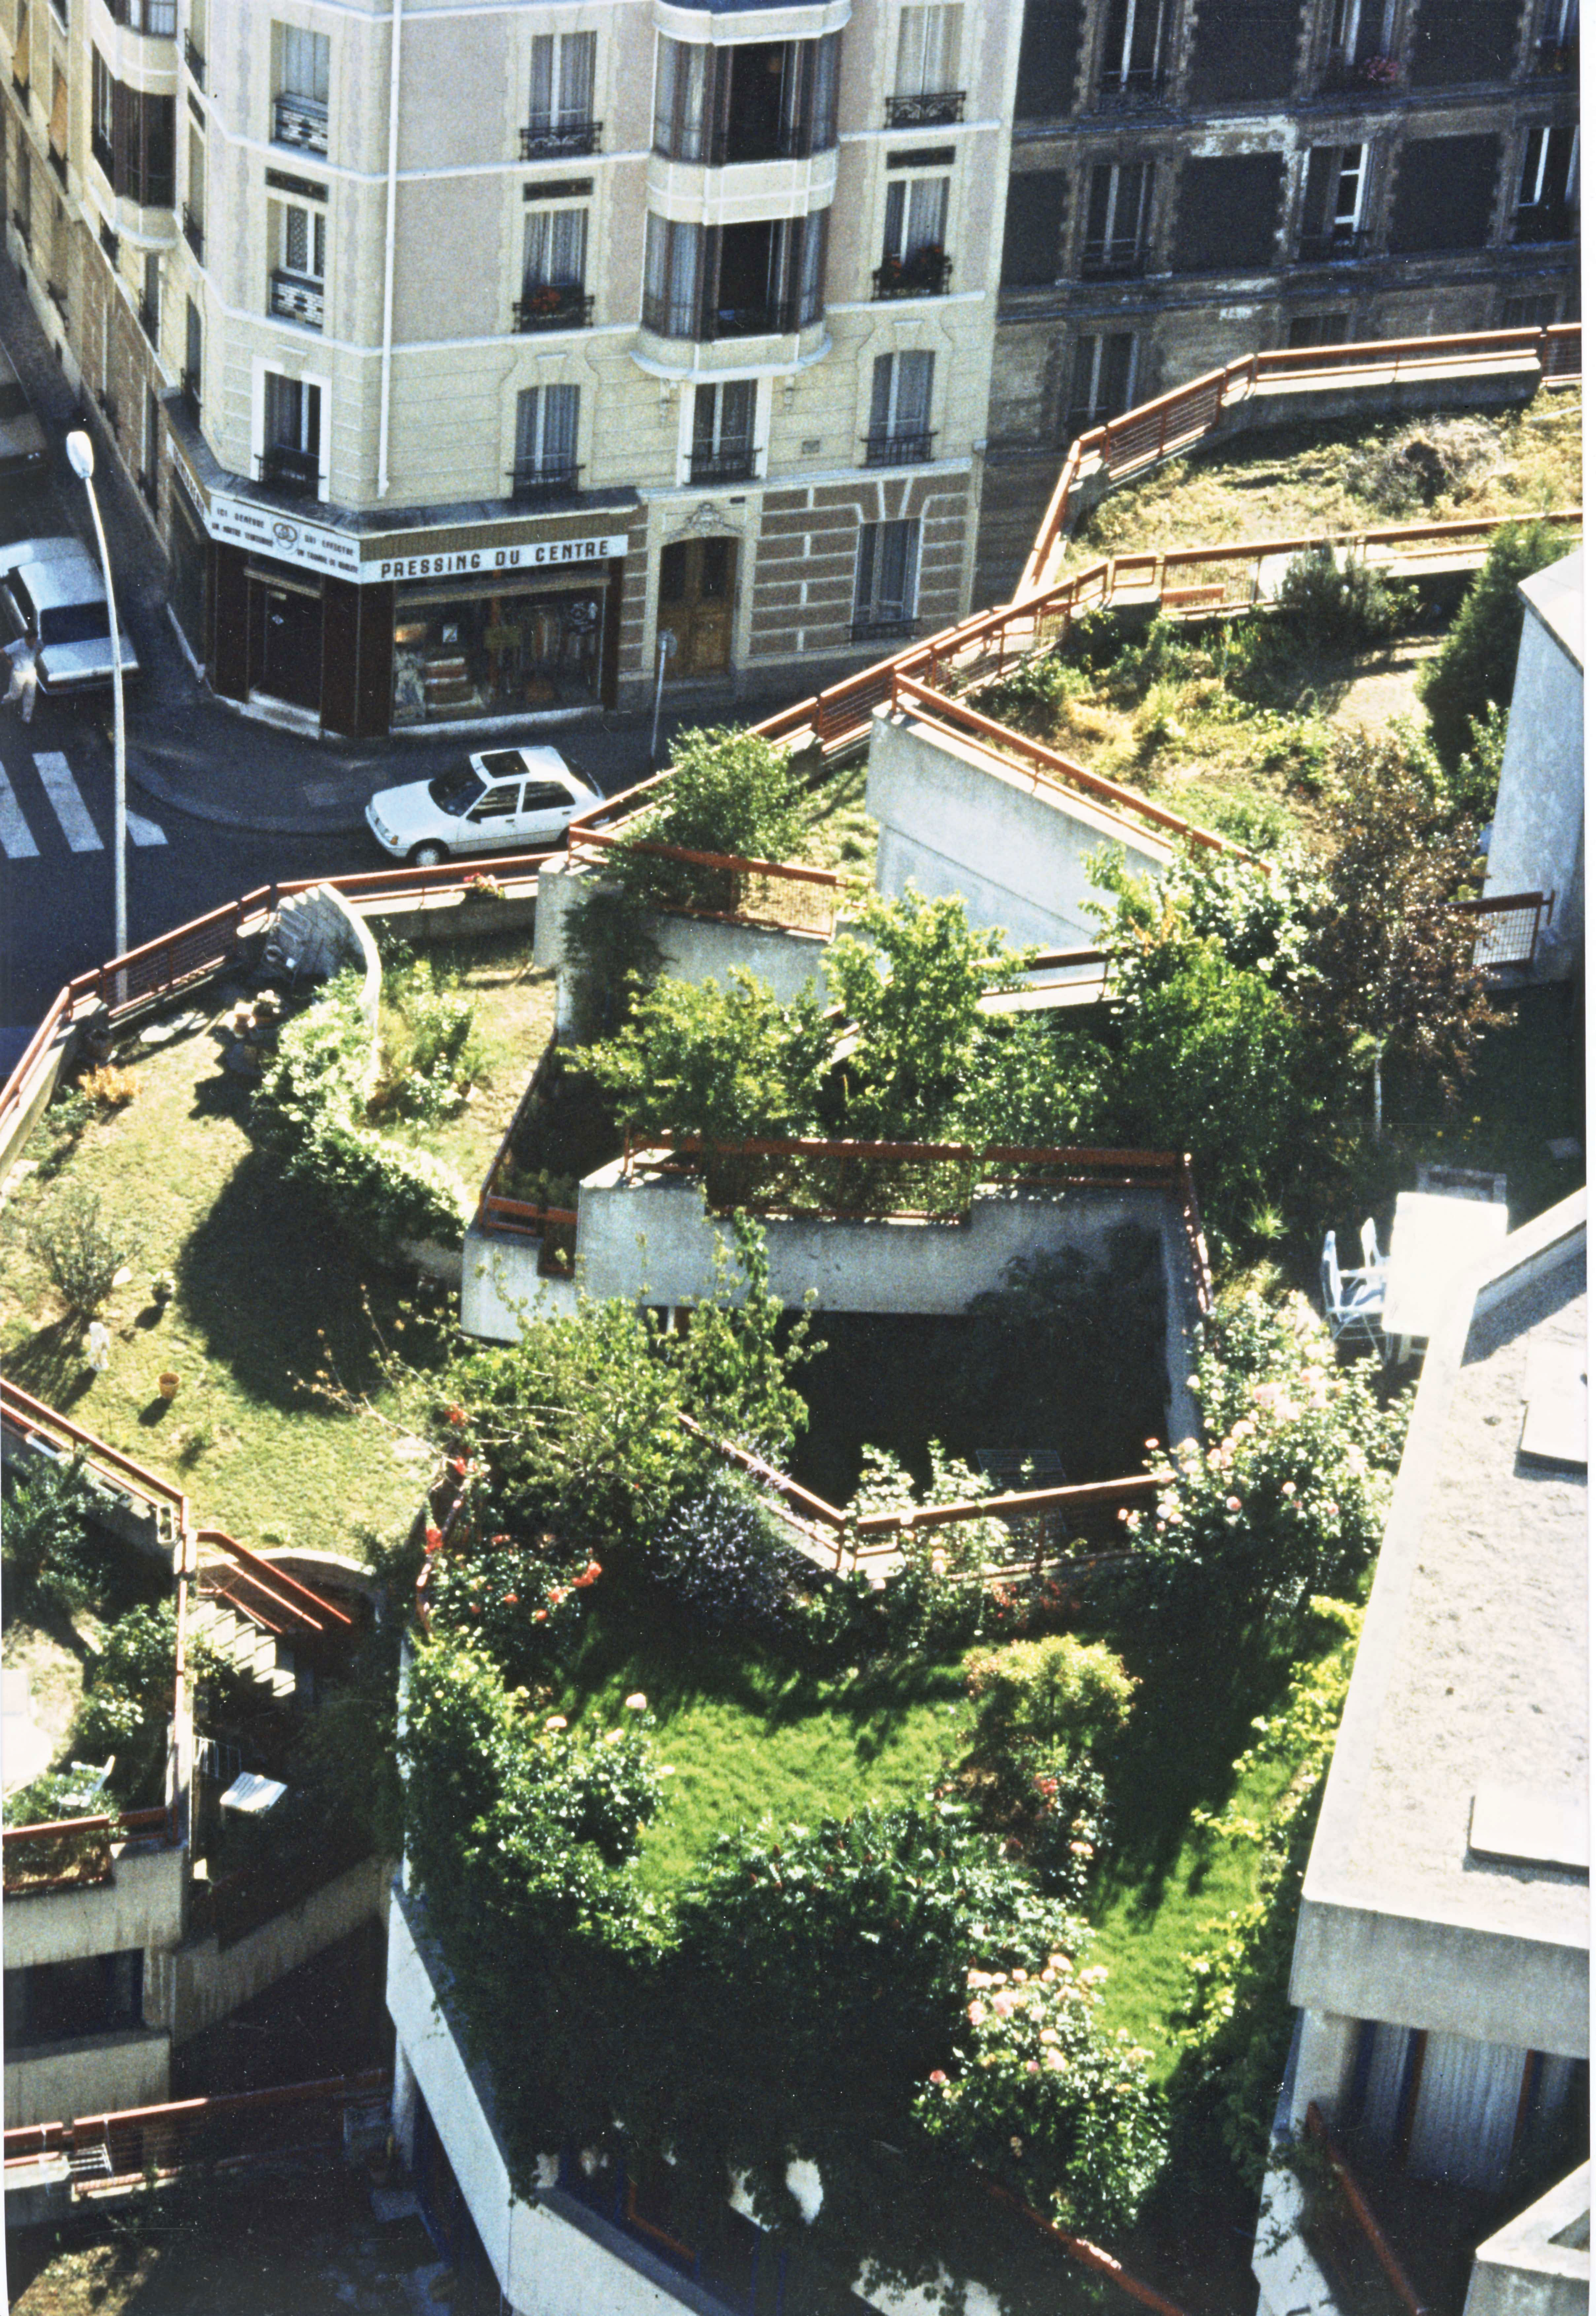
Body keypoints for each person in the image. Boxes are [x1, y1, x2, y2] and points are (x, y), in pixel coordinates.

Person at [3, 635, 38, 724]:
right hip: (19, 674)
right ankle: (5, 701)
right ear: (27, 639)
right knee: (16, 695)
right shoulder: (18, 645)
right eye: (32, 641)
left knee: (30, 695)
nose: (34, 644)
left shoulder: (37, 643)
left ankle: (27, 718)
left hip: (31, 673)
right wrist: (9, 661)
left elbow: (40, 649)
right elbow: (4, 651)